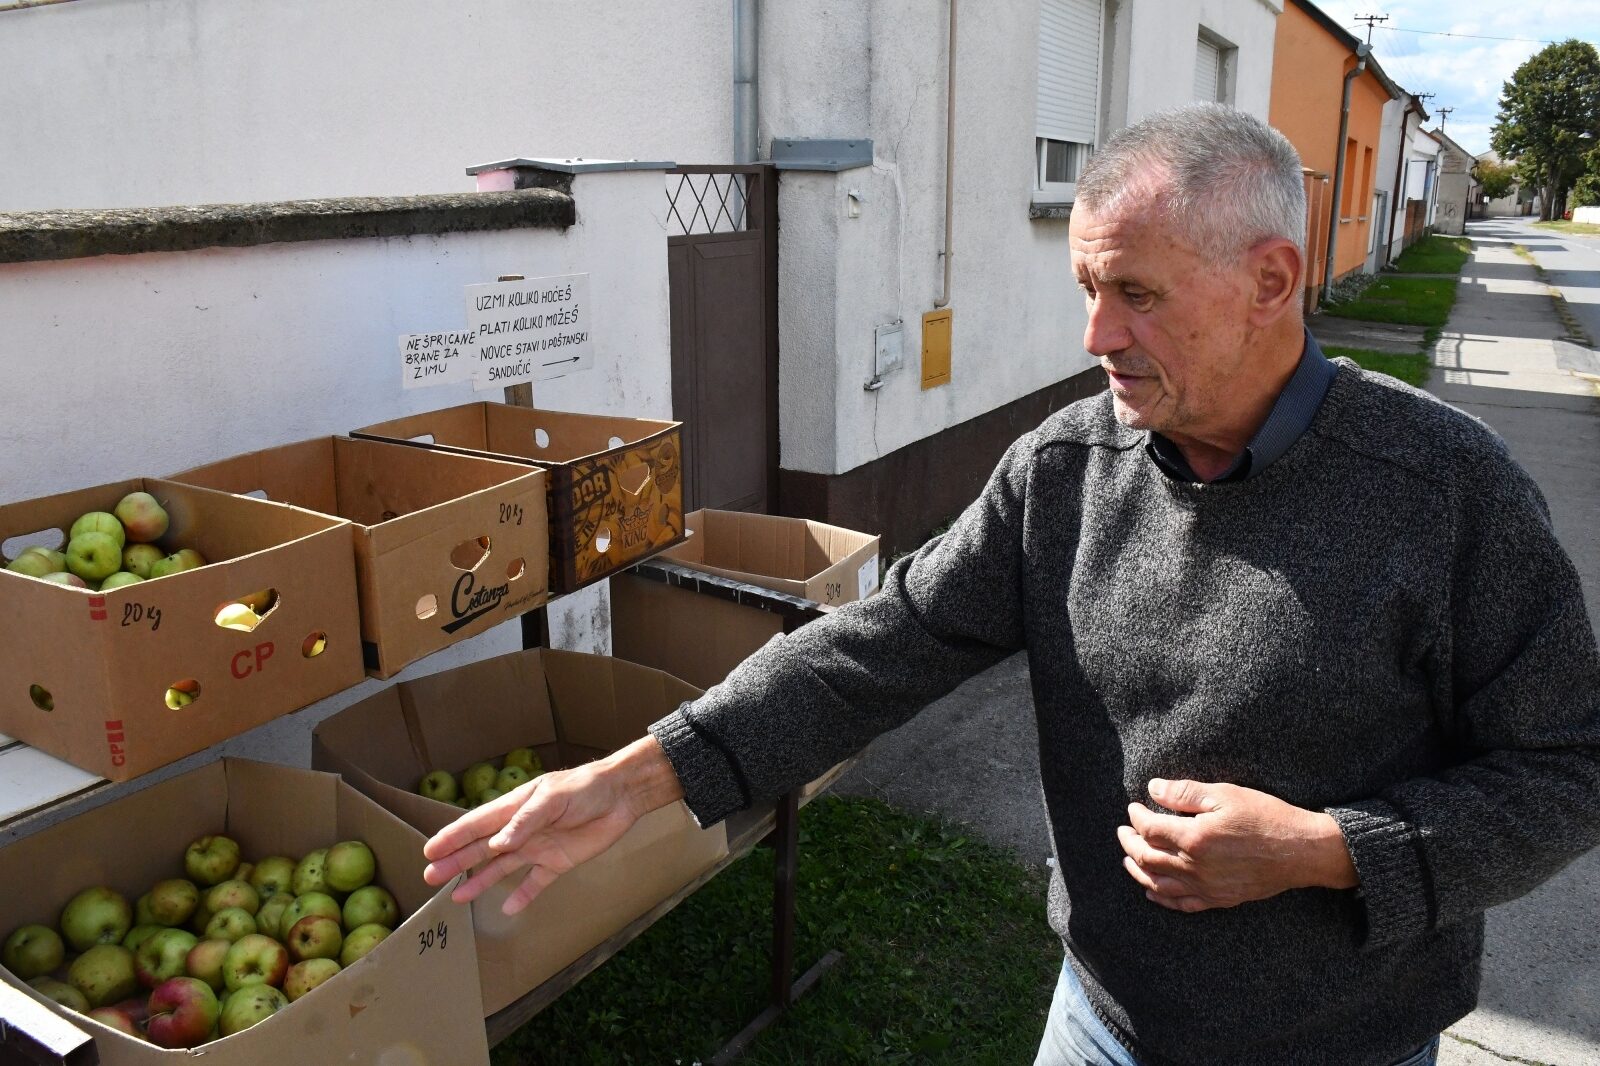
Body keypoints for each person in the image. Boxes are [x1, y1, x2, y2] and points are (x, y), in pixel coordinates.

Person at [423, 105, 1600, 1066]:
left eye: (1135, 292)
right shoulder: (1066, 468)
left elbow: (1568, 768)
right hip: (1098, 1022)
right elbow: (882, 643)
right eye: (1087, 285)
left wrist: (1327, 849)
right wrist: (641, 775)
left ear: (1272, 278)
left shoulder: (1445, 490)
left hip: (1347, 1047)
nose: (1095, 332)